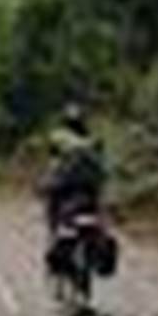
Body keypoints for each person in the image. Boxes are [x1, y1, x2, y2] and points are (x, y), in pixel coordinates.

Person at [39, 103, 106, 256]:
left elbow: (52, 159)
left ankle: (54, 237)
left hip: (64, 184)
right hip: (88, 186)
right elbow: (102, 165)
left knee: (52, 206)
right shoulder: (93, 139)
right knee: (97, 206)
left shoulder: (58, 136)